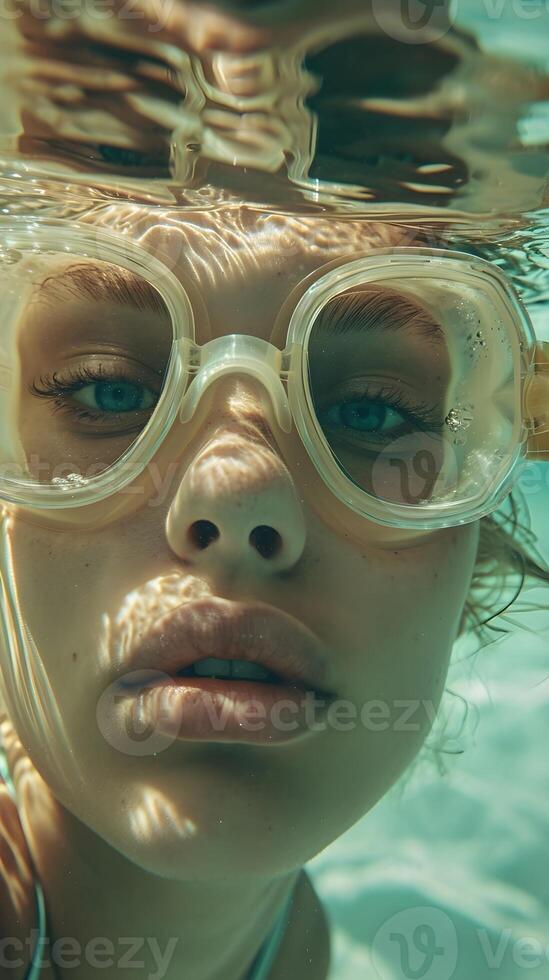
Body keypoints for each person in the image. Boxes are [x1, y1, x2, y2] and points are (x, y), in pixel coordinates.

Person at [0, 4, 548, 980]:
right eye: (107, 391)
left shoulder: (294, 942)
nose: (239, 488)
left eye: (373, 414)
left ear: (475, 552)